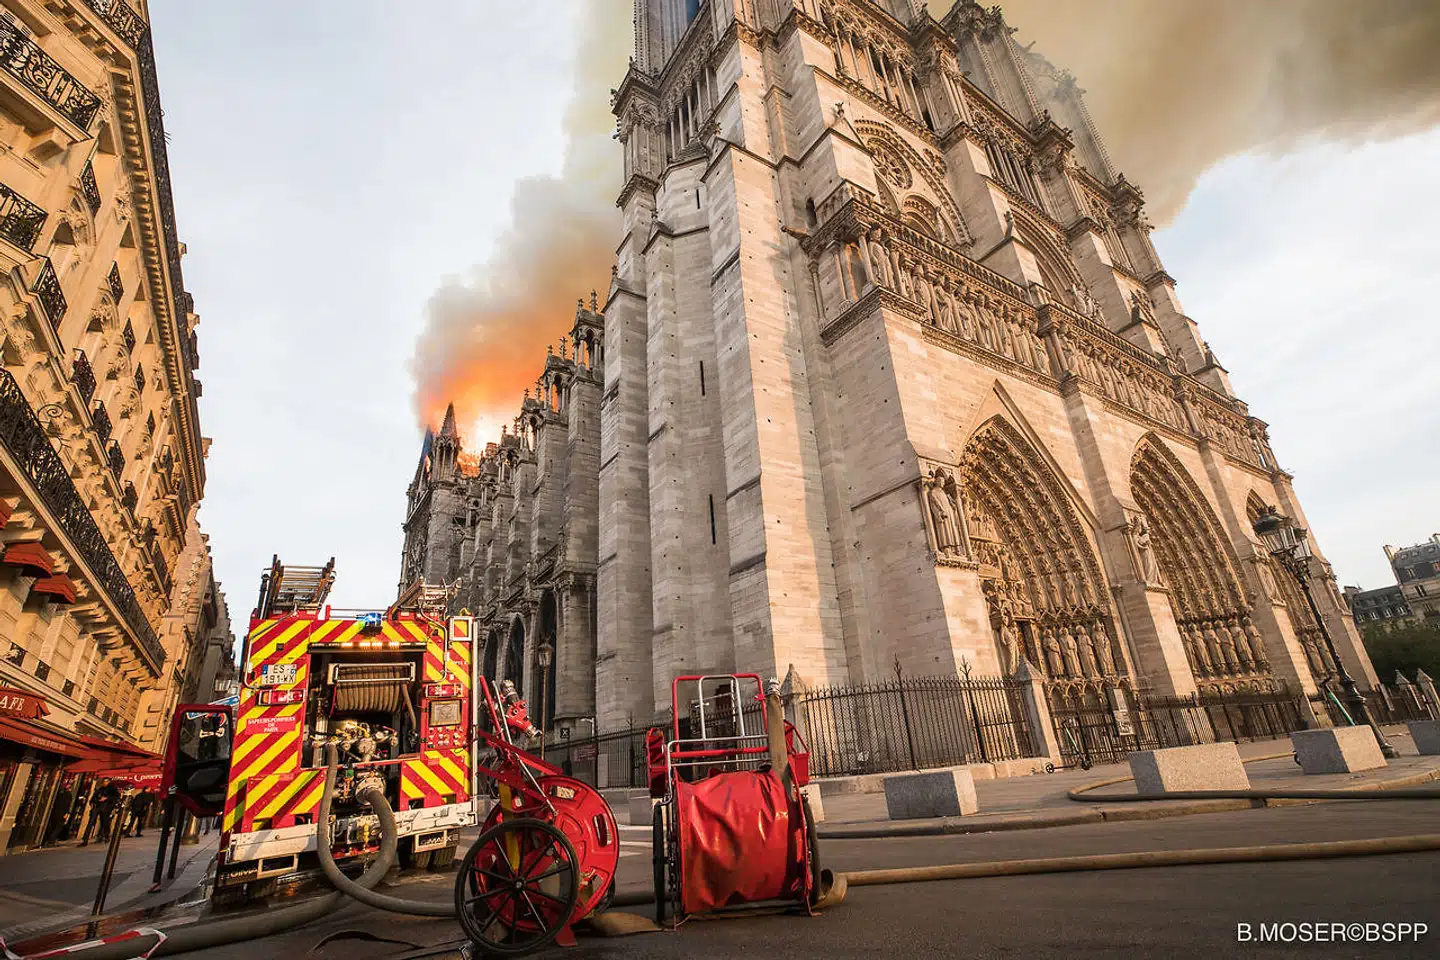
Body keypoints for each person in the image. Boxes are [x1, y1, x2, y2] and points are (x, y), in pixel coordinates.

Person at [81, 780, 120, 846]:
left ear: (109, 782)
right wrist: (93, 802)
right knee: (90, 823)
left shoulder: (113, 790)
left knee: (104, 823)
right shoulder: (100, 789)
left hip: (106, 808)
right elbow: (93, 798)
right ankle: (85, 840)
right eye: (104, 781)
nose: (105, 782)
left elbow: (116, 798)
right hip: (97, 807)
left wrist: (106, 798)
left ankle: (106, 836)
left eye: (106, 781)